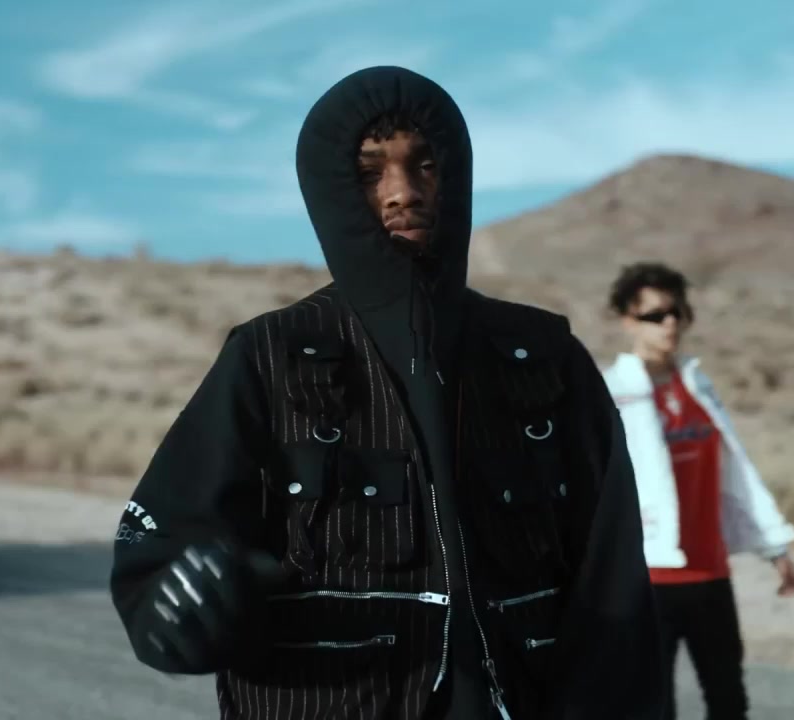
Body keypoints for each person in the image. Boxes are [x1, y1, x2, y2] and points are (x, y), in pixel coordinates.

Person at [108, 65, 664, 719]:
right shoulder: (269, 356)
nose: (403, 192)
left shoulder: (543, 356)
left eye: (425, 165)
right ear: (335, 191)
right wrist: (176, 606)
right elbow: (163, 542)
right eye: (372, 172)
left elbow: (613, 583)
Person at [602, 262, 794, 719]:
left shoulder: (696, 385)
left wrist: (775, 547)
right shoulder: (611, 392)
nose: (669, 323)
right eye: (655, 315)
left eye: (677, 312)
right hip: (649, 578)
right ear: (628, 320)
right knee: (654, 705)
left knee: (729, 700)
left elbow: (736, 475)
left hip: (711, 572)